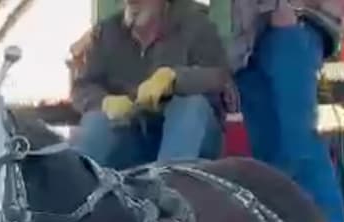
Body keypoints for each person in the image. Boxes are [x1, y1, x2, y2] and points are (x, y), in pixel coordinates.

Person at [230, 1, 344, 222]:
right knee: (269, 152)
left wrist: (286, 8)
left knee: (297, 137)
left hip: (289, 23)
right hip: (244, 39)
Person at [71, 0, 230, 168]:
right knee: (96, 120)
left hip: (191, 138)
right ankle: (78, 185)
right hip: (133, 135)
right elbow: (82, 87)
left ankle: (168, 187)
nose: (131, 2)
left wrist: (175, 79)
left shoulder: (196, 24)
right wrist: (104, 102)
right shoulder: (106, 32)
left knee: (191, 105)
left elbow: (219, 76)